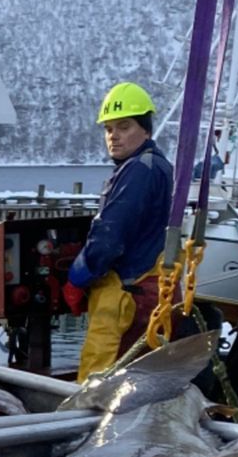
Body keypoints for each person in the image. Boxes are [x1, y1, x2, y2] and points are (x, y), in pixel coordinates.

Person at [62, 82, 174, 378]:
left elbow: (109, 236)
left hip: (123, 292)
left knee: (96, 379)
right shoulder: (156, 165)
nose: (114, 136)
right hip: (143, 284)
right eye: (109, 129)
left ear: (146, 130)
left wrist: (76, 278)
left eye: (123, 127)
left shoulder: (138, 169)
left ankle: (86, 425)